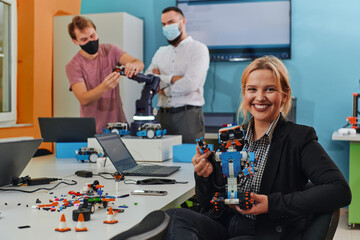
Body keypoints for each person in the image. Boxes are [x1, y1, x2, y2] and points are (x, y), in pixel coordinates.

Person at [162, 56, 352, 240]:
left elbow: (339, 190)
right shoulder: (232, 137)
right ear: (244, 93)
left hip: (263, 231)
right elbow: (207, 202)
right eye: (252, 89)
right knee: (173, 217)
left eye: (269, 89)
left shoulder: (299, 138)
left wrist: (272, 204)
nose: (259, 97)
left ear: (284, 95)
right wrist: (204, 176)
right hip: (225, 225)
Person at [66, 16, 144, 133]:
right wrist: (104, 87)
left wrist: (134, 66)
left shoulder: (110, 50)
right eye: (84, 39)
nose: (90, 41)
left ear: (96, 32)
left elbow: (139, 63)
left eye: (93, 36)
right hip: (94, 129)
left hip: (119, 125)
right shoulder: (73, 65)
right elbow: (83, 98)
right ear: (75, 41)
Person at [145, 6, 210, 143]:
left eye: (171, 22)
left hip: (188, 117)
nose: (166, 27)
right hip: (161, 117)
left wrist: (162, 86)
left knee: (191, 160)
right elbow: (149, 80)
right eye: (163, 24)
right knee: (159, 161)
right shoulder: (160, 52)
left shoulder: (198, 49)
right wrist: (173, 79)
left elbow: (190, 84)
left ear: (183, 22)